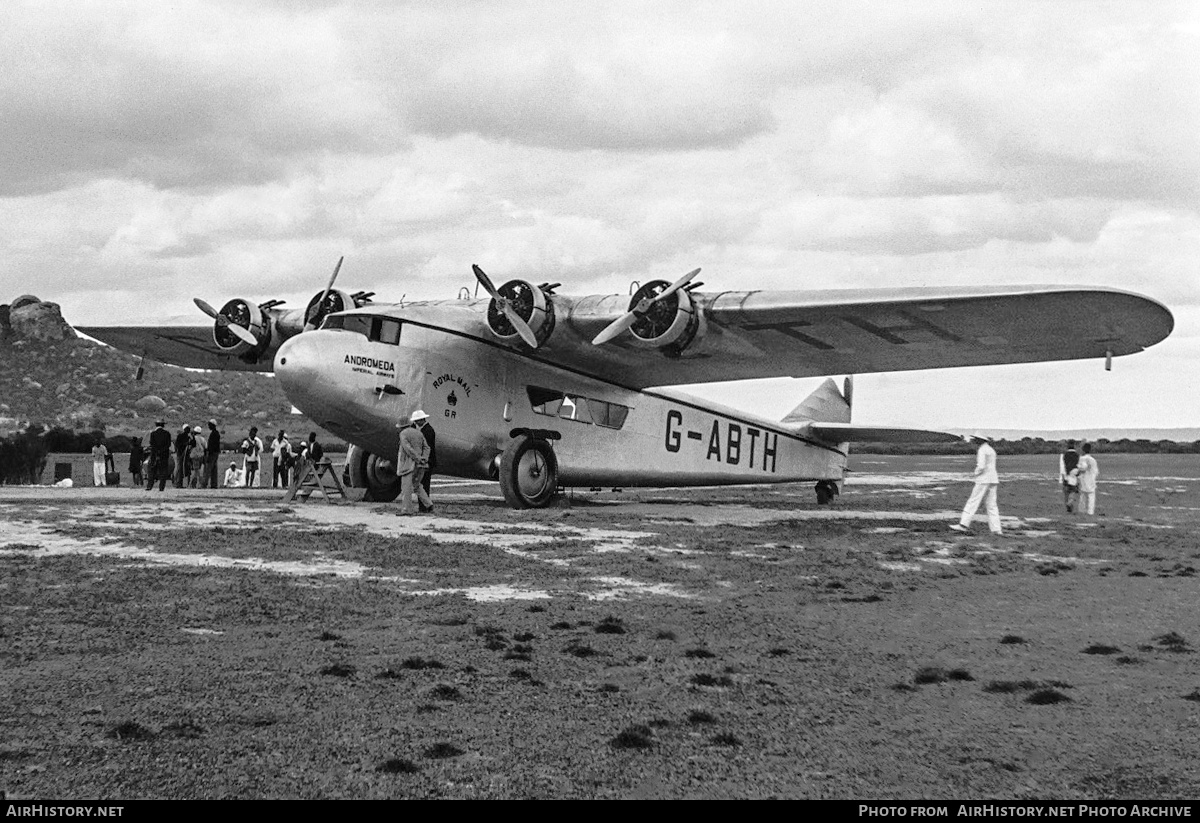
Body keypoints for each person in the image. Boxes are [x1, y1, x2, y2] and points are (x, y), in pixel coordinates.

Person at [951, 433, 1002, 536]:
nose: (974, 441)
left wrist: (975, 473)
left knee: (973, 502)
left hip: (983, 480)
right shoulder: (991, 450)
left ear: (980, 440)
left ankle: (963, 525)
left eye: (976, 439)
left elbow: (981, 466)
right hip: (993, 479)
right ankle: (996, 530)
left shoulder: (982, 450)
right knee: (992, 505)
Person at [396, 410, 433, 515]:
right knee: (417, 485)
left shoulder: (403, 434)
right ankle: (428, 504)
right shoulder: (419, 433)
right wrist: (424, 458)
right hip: (421, 464)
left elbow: (407, 448)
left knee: (406, 487)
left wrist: (417, 458)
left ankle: (407, 509)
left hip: (409, 464)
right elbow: (427, 447)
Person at [147, 419, 173, 492]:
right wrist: (162, 451)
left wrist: (157, 451)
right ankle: (161, 487)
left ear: (156, 425)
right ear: (163, 425)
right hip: (164, 455)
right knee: (163, 471)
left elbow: (152, 444)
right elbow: (168, 444)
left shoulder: (153, 434)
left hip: (154, 454)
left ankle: (149, 486)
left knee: (152, 470)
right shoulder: (167, 433)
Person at [1077, 443, 1100, 515]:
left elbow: (1083, 468)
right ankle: (1090, 511)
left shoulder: (1082, 459)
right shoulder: (1093, 459)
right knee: (1091, 495)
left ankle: (1082, 510)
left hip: (1084, 478)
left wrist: (1078, 469)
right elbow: (1096, 471)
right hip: (1091, 478)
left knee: (1083, 495)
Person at [419, 419, 436, 513]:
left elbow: (427, 448)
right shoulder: (428, 429)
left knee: (423, 484)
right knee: (424, 484)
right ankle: (426, 505)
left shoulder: (427, 431)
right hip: (427, 461)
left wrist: (424, 460)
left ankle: (425, 506)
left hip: (427, 461)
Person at [1059, 439, 1081, 513]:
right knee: (1073, 491)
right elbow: (1079, 466)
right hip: (1074, 475)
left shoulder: (1064, 455)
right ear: (1074, 446)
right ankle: (1070, 502)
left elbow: (1062, 466)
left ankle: (1067, 506)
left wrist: (1062, 476)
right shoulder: (1077, 455)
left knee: (1066, 492)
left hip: (1066, 475)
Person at [173, 424, 192, 488]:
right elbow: (177, 445)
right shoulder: (180, 436)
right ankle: (178, 483)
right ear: (184, 429)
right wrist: (184, 444)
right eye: (187, 428)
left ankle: (188, 484)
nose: (188, 429)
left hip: (186, 455)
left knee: (186, 469)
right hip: (180, 455)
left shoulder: (189, 437)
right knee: (179, 469)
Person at [205, 419, 221, 489]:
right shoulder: (216, 433)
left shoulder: (213, 434)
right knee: (214, 469)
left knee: (208, 469)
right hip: (216, 453)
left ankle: (204, 484)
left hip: (212, 453)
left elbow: (211, 445)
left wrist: (208, 454)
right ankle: (214, 484)